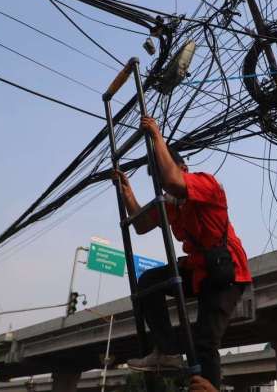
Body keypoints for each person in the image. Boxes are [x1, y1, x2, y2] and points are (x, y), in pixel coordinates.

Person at [113, 116, 252, 389]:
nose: (163, 187)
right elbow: (141, 224)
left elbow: (174, 181)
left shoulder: (205, 185)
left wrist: (156, 136)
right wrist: (126, 193)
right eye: (158, 182)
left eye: (163, 175)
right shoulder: (171, 203)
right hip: (199, 270)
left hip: (227, 270)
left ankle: (209, 386)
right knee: (149, 283)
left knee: (204, 340)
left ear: (183, 167)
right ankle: (167, 351)